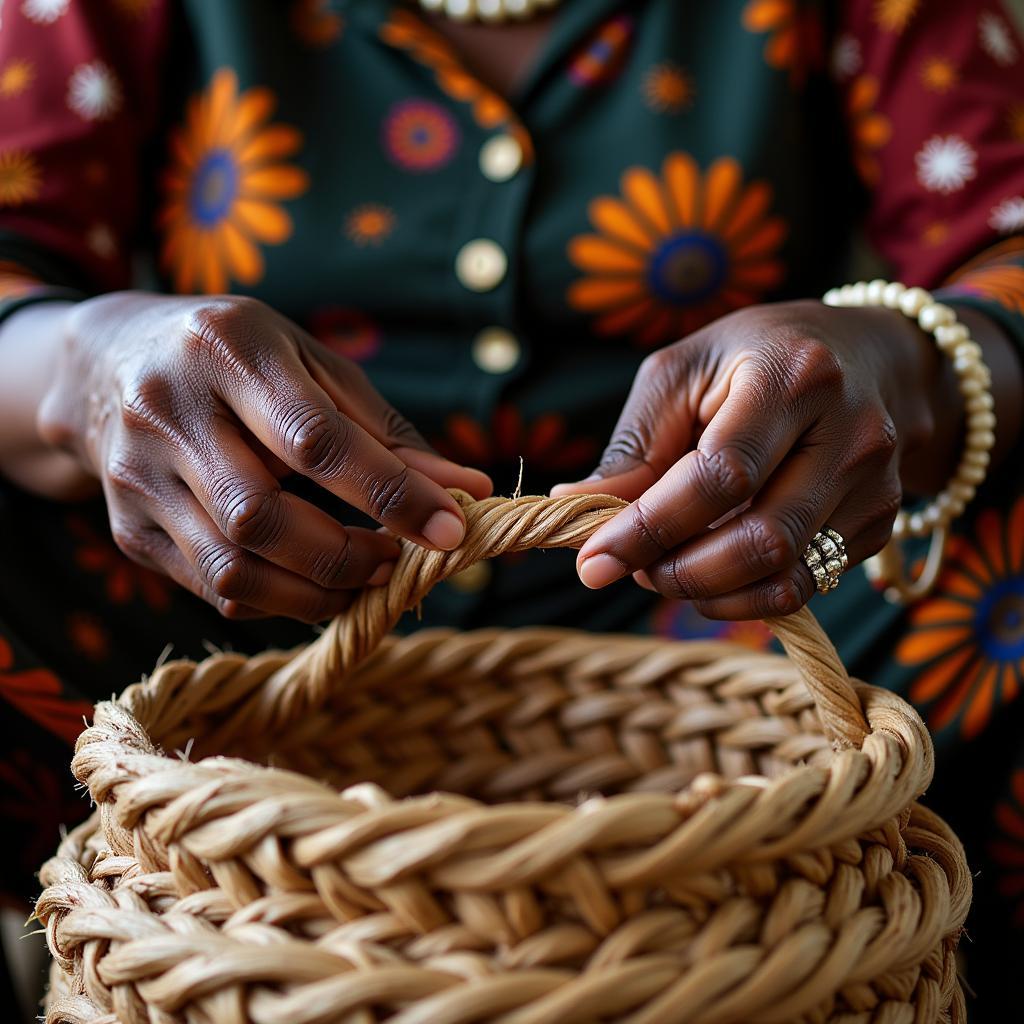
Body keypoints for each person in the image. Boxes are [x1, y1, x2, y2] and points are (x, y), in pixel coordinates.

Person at [0, 0, 1022, 1015]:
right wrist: (86, 364)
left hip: (728, 608)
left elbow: (1004, 236)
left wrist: (908, 365)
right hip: (234, 616)